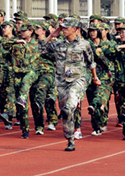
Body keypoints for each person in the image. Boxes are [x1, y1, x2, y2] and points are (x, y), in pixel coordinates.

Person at [43, 17, 100, 151]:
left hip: (78, 80)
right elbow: (39, 48)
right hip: (62, 82)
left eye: (66, 27)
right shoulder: (58, 44)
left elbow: (91, 62)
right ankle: (70, 139)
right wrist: (52, 35)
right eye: (62, 27)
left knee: (69, 107)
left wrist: (95, 78)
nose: (63, 30)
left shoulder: (84, 44)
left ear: (75, 29)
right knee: (64, 111)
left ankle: (74, 109)